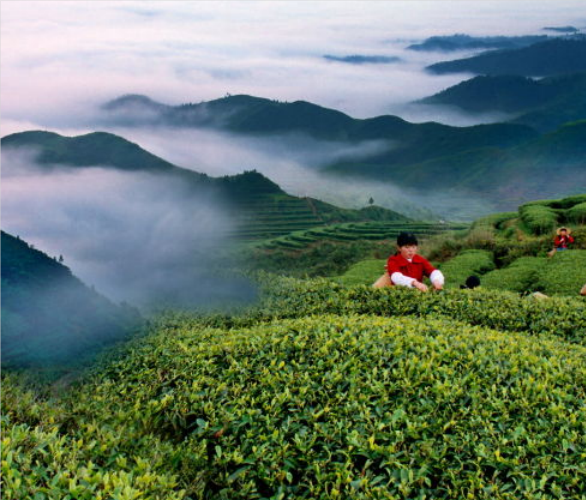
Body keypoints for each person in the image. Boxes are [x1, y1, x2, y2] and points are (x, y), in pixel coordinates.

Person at [373, 232, 444, 291]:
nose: (411, 250)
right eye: (407, 247)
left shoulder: (419, 259)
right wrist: (414, 283)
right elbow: (396, 277)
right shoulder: (393, 260)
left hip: (417, 293)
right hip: (399, 293)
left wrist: (437, 281)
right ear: (399, 248)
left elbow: (432, 271)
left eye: (413, 247)